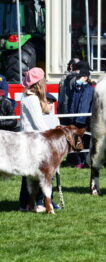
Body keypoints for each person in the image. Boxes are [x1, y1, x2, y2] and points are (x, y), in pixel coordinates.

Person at [19, 67, 58, 212]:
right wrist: (52, 135)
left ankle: (27, 204)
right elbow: (38, 123)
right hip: (35, 141)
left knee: (29, 174)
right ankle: (39, 203)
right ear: (39, 82)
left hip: (29, 140)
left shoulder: (27, 97)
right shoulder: (32, 99)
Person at [68, 62, 94, 168]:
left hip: (85, 119)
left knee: (86, 141)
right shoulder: (76, 89)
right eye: (78, 77)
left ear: (86, 77)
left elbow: (91, 104)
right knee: (76, 140)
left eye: (81, 77)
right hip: (75, 118)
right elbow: (72, 102)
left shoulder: (91, 89)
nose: (79, 79)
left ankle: (86, 161)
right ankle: (79, 161)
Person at [58, 58, 80, 125]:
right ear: (71, 66)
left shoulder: (64, 77)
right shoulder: (73, 78)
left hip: (62, 111)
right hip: (70, 111)